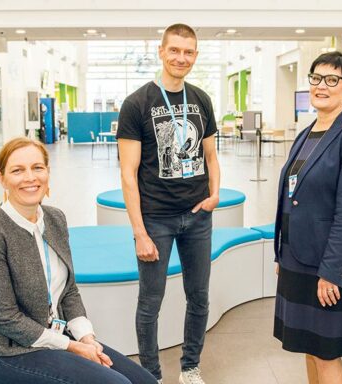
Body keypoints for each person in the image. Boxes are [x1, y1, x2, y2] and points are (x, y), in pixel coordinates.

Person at [0, 137, 157, 384]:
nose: (30, 177)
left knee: (145, 382)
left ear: (47, 173)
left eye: (37, 168)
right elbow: (5, 318)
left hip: (58, 338)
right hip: (9, 353)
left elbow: (69, 291)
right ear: (2, 179)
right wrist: (71, 346)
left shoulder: (55, 219)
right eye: (17, 170)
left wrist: (87, 338)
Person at [116, 23, 220, 384]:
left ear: (195, 55)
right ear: (161, 51)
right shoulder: (137, 103)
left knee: (200, 298)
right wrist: (139, 232)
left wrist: (214, 195)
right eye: (174, 50)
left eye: (188, 51)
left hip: (197, 217)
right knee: (150, 303)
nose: (181, 58)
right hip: (155, 219)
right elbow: (128, 175)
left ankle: (190, 367)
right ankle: (151, 375)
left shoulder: (202, 99)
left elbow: (211, 156)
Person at [272, 52, 342, 384]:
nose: (322, 86)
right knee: (309, 345)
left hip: (330, 263)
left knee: (326, 353)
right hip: (299, 255)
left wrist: (331, 273)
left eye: (332, 80)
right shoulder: (307, 133)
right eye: (316, 78)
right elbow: (293, 196)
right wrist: (282, 250)